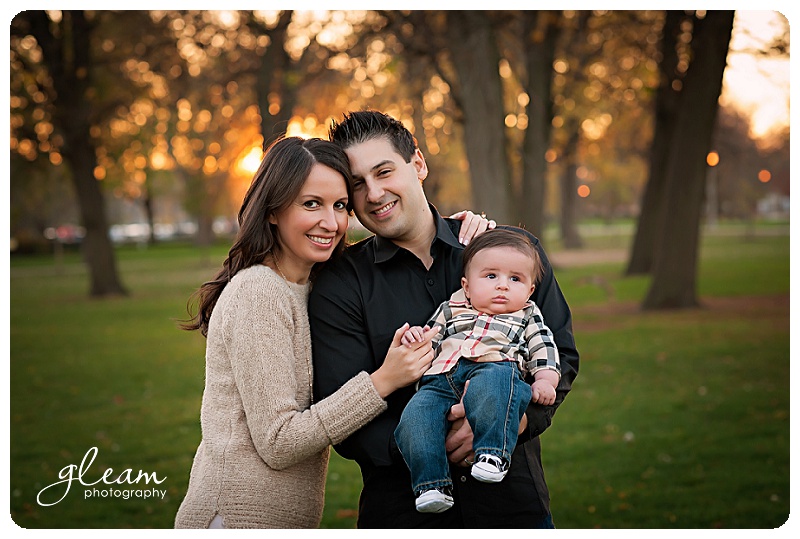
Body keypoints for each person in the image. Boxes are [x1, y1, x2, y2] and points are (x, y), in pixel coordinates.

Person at [309, 110, 579, 528]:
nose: (375, 193)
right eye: (358, 184)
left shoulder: (508, 253)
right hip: (402, 515)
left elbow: (559, 353)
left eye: (384, 171)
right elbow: (340, 408)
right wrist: (431, 445)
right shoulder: (340, 284)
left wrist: (516, 420)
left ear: (417, 163)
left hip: (512, 509)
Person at [173, 136, 437, 529]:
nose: (330, 223)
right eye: (311, 204)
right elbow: (279, 442)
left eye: (340, 206)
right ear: (274, 209)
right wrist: (383, 380)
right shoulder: (259, 292)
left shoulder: (311, 286)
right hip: (234, 518)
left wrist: (457, 225)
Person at [395, 228, 560, 513]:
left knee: (497, 388)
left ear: (530, 289)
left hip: (495, 366)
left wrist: (546, 380)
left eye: (515, 279)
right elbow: (430, 339)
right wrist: (415, 339)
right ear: (467, 286)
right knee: (416, 416)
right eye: (491, 276)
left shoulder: (527, 314)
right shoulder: (450, 309)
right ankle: (431, 484)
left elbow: (543, 347)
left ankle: (493, 454)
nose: (503, 286)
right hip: (441, 380)